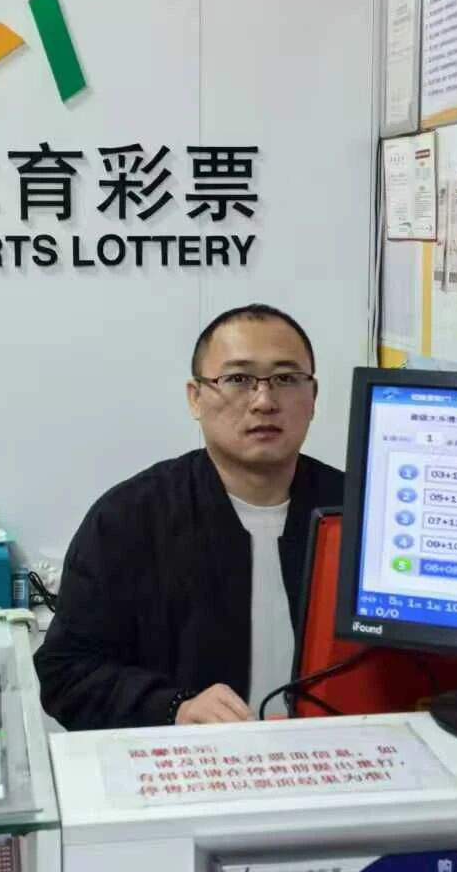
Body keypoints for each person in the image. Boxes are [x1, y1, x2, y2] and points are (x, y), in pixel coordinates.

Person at [36, 304, 344, 729]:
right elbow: (66, 672)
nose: (264, 401)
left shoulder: (359, 510)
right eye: (238, 379)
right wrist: (173, 708)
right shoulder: (129, 520)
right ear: (195, 398)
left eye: (287, 379)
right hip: (188, 763)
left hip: (336, 756)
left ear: (313, 397)